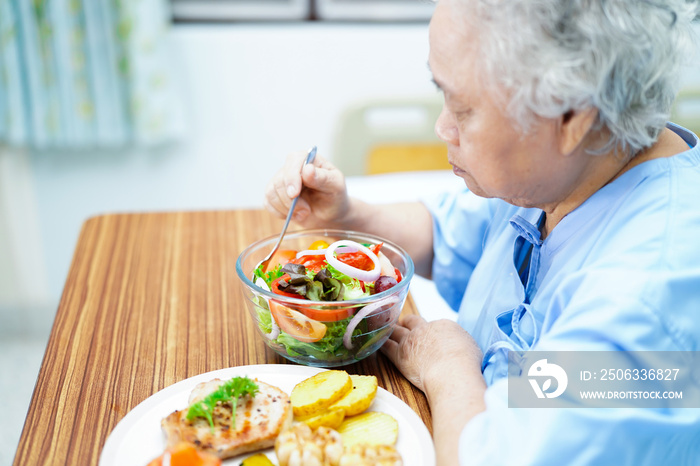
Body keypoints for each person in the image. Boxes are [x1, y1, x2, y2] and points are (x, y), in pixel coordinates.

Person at [265, 0, 700, 464]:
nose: (442, 127)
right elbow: (451, 233)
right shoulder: (569, 175)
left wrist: (449, 367)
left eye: (462, 107)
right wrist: (349, 212)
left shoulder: (642, 312)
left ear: (574, 116)